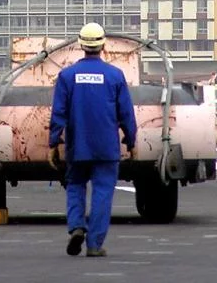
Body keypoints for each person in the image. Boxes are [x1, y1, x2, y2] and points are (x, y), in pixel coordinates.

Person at [48, 22, 136, 258]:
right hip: (107, 147)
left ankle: (77, 227)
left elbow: (58, 112)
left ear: (80, 44)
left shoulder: (66, 76)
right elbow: (126, 112)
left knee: (75, 187)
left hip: (77, 146)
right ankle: (95, 244)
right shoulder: (115, 76)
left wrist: (53, 143)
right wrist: (131, 141)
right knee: (102, 193)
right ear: (103, 44)